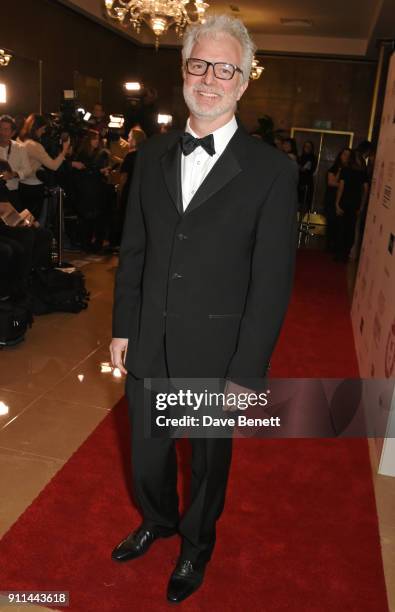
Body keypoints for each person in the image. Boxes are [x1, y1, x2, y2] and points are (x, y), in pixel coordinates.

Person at [110, 14, 298, 604]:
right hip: (148, 338)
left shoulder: (272, 170)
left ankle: (196, 544)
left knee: (209, 465)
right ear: (184, 69)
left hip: (217, 353)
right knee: (147, 456)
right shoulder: (152, 154)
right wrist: (122, 328)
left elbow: (271, 282)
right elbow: (133, 249)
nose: (210, 79)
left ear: (244, 82)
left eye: (225, 69)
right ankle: (158, 519)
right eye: (200, 65)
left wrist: (248, 369)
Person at [18, 114, 71, 218]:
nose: (43, 132)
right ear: (36, 128)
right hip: (33, 188)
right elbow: (54, 166)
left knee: (26, 219)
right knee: (34, 221)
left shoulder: (22, 141)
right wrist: (65, 150)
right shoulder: (35, 146)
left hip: (23, 186)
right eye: (42, 129)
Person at [72, 129, 111, 251]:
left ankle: (95, 244)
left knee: (98, 218)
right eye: (94, 139)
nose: (96, 141)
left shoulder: (100, 153)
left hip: (97, 188)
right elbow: (82, 170)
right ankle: (86, 243)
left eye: (98, 139)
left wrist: (104, 171)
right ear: (88, 140)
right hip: (87, 190)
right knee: (87, 218)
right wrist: (98, 171)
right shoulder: (83, 153)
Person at [334, 149, 369, 262]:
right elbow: (366, 189)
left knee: (341, 228)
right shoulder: (362, 173)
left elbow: (341, 187)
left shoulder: (346, 170)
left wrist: (337, 203)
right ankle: (346, 253)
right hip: (355, 203)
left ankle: (339, 254)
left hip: (344, 202)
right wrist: (362, 206)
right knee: (351, 229)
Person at [0, 115, 32, 211]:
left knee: (13, 224)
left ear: (13, 132)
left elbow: (28, 170)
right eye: (0, 129)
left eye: (6, 129)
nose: (2, 132)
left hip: (13, 194)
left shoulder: (20, 148)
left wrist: (14, 174)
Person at [324, 148, 351, 252]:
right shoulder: (333, 169)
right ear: (340, 156)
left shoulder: (350, 170)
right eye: (344, 154)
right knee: (331, 221)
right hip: (331, 198)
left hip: (343, 199)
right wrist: (340, 173)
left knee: (339, 223)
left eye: (348, 155)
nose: (346, 157)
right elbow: (331, 183)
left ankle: (336, 245)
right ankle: (328, 245)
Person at [298, 140, 317, 210]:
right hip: (298, 182)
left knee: (305, 203)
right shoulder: (300, 157)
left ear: (312, 148)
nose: (307, 148)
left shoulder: (312, 158)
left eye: (309, 146)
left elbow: (304, 169)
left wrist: (297, 166)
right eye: (306, 146)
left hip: (307, 183)